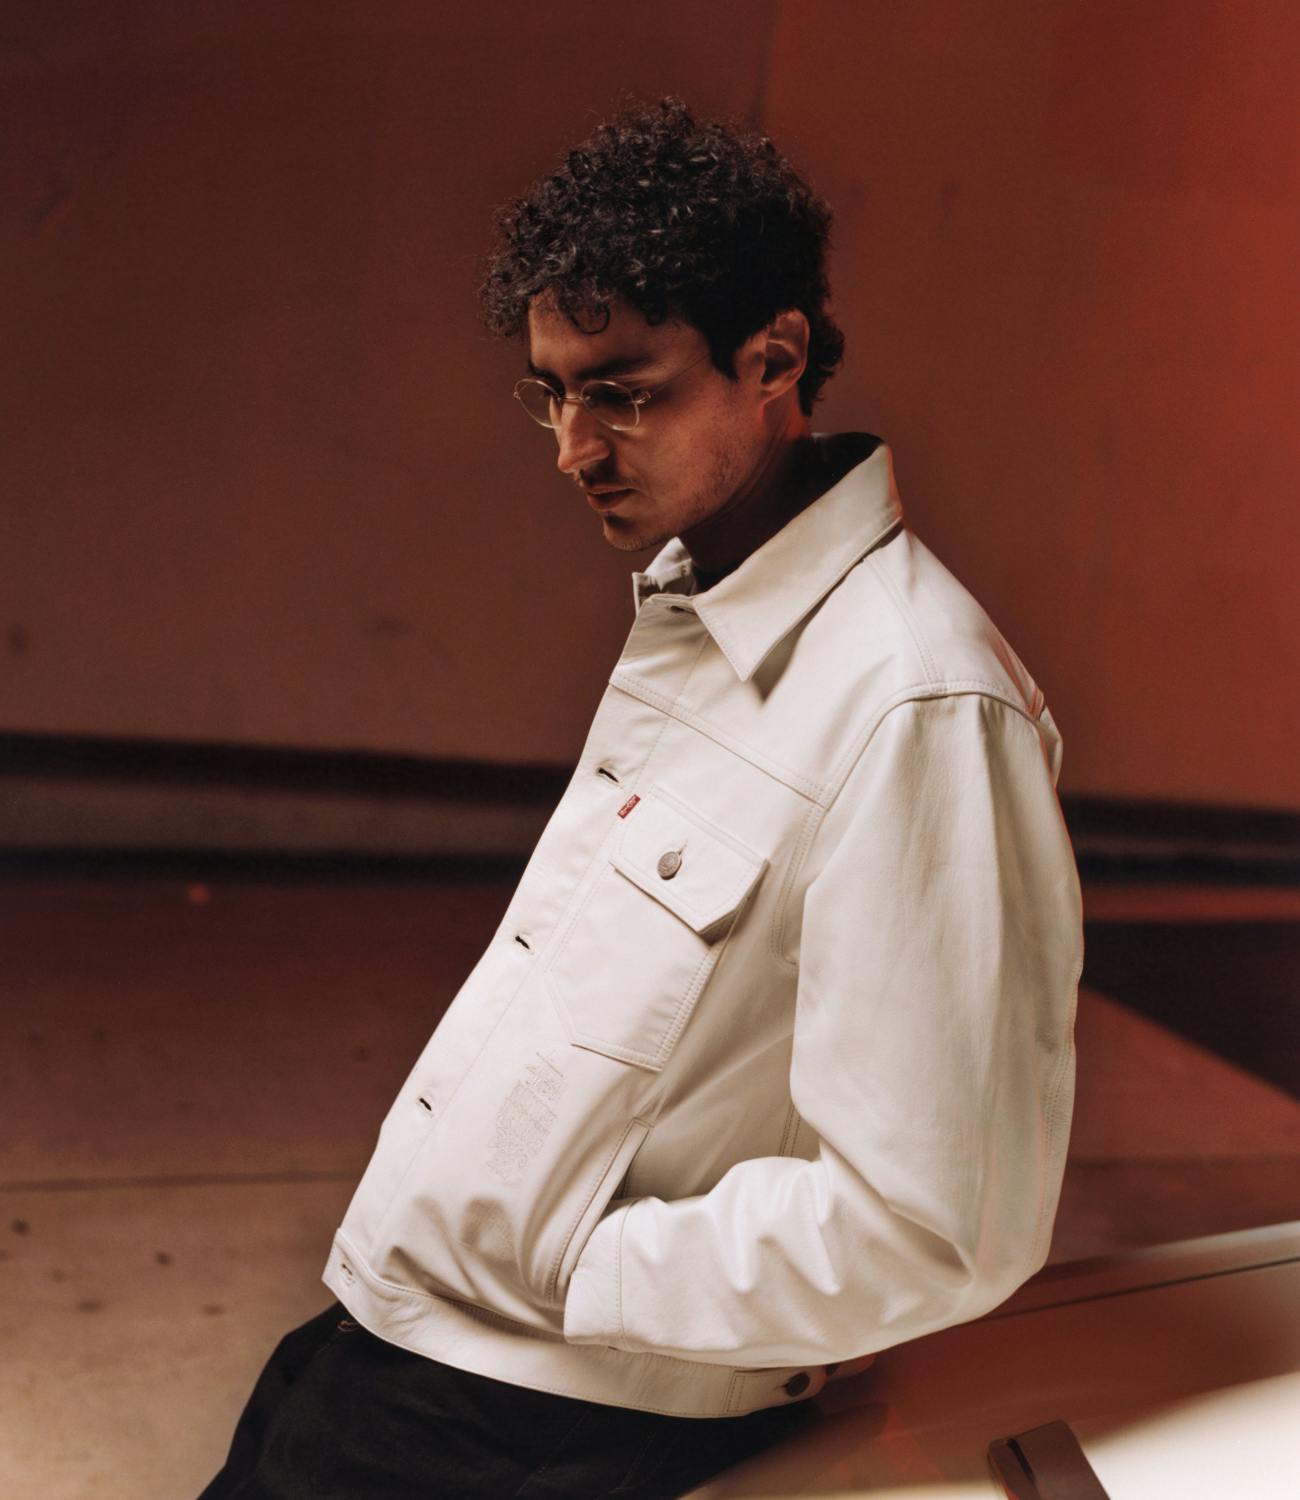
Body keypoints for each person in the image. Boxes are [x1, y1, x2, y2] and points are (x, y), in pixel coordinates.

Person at [201, 97, 1081, 1499]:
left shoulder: (916, 701)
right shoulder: (702, 613)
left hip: (550, 1412)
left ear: (773, 358)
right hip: (405, 1340)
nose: (572, 446)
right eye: (550, 393)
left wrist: (573, 1270)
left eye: (621, 391)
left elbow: (937, 1223)